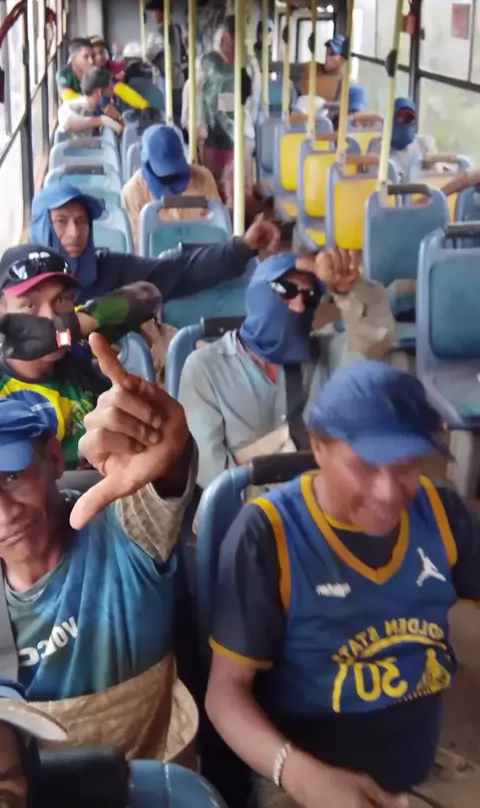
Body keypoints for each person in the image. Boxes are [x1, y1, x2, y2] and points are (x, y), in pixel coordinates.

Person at [205, 358, 480, 808]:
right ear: (319, 447)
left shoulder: (443, 513)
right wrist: (299, 774)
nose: (388, 492)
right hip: (305, 770)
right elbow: (224, 694)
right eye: (366, 466)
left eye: (407, 465)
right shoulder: (269, 535)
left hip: (418, 764)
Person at [0, 335, 198, 760]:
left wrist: (169, 449)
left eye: (12, 476)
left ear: (55, 459)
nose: (4, 513)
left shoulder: (124, 533)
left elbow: (160, 486)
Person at [179, 250, 396, 489]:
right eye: (286, 290)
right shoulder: (205, 369)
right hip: (249, 507)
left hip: (324, 497)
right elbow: (211, 477)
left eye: (310, 297)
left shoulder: (325, 353)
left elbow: (374, 343)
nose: (299, 306)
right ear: (259, 294)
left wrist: (350, 291)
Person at [30, 183, 281, 377]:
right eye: (61, 222)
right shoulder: (23, 291)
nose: (75, 232)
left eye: (81, 221)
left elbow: (179, 271)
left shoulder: (109, 268)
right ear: (43, 226)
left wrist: (242, 247)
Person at [0, 245, 162, 468]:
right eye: (29, 305)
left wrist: (68, 329)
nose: (50, 316)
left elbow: (148, 295)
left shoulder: (81, 347)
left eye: (60, 299)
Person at [121, 124, 220, 252]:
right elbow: (138, 247)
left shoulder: (203, 178)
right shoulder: (133, 192)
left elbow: (216, 230)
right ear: (147, 160)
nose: (171, 175)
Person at [197, 16, 259, 208]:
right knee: (214, 183)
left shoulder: (250, 64)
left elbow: (254, 98)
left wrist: (247, 123)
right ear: (224, 37)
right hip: (211, 130)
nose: (235, 43)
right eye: (232, 37)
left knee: (241, 183)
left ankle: (242, 219)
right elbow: (194, 95)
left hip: (241, 129)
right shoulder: (205, 63)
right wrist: (198, 124)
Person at [57, 66, 123, 138]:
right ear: (100, 92)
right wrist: (102, 121)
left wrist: (119, 119)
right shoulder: (71, 106)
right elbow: (67, 122)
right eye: (111, 89)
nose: (114, 92)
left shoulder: (99, 108)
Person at [389, 97, 436, 181]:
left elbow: (434, 176)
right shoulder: (379, 148)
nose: (405, 123)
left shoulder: (423, 144)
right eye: (400, 118)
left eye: (409, 119)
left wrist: (432, 160)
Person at [297, 35, 346, 102]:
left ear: (342, 59)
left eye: (332, 54)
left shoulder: (343, 83)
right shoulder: (311, 68)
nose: (327, 57)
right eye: (327, 53)